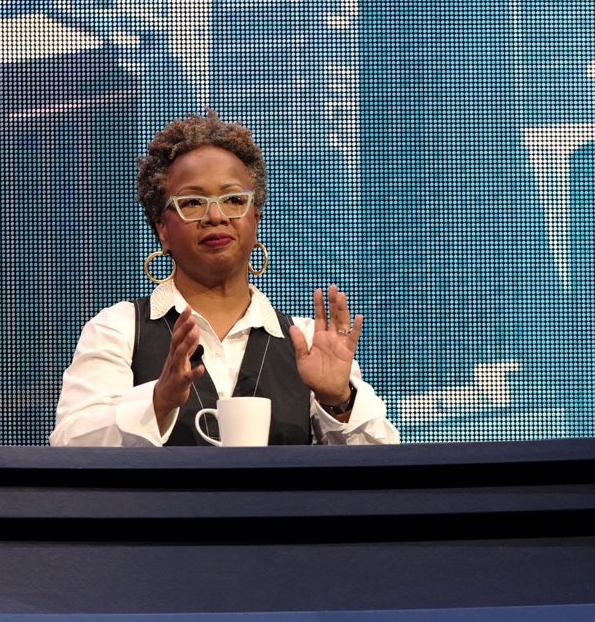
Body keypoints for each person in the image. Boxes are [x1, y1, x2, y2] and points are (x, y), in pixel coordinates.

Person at [50, 110, 400, 446]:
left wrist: (337, 399)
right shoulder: (120, 329)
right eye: (191, 203)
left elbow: (386, 474)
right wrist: (157, 401)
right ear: (163, 231)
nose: (216, 216)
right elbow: (71, 444)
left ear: (255, 219)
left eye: (234, 199)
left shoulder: (306, 341)